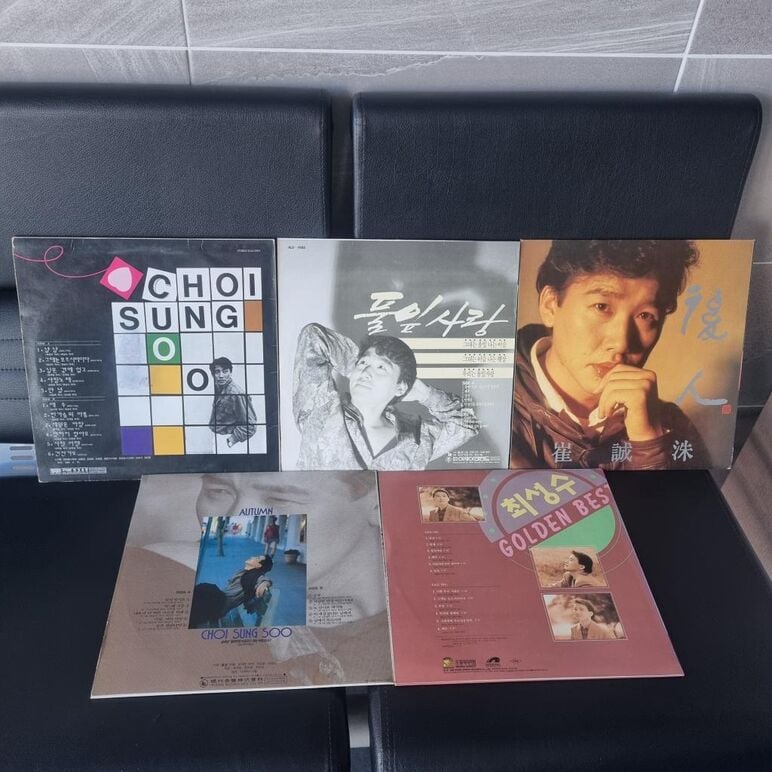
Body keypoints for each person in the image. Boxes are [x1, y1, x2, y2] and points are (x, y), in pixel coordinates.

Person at [511, 240, 710, 470]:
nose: (622, 342)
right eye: (602, 307)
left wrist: (649, 446)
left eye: (645, 316)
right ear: (550, 306)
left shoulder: (673, 427)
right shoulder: (488, 407)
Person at [293, 323, 479, 470]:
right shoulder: (320, 410)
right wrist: (359, 370)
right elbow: (313, 336)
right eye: (363, 363)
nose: (366, 371)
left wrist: (426, 394)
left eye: (381, 367)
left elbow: (466, 424)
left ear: (400, 387)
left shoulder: (417, 437)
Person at [208, 356, 257, 447]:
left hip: (226, 441)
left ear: (230, 372)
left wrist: (231, 440)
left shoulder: (236, 393)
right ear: (213, 374)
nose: (221, 376)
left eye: (225, 371)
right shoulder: (219, 388)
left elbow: (251, 426)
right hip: (215, 438)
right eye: (217, 372)